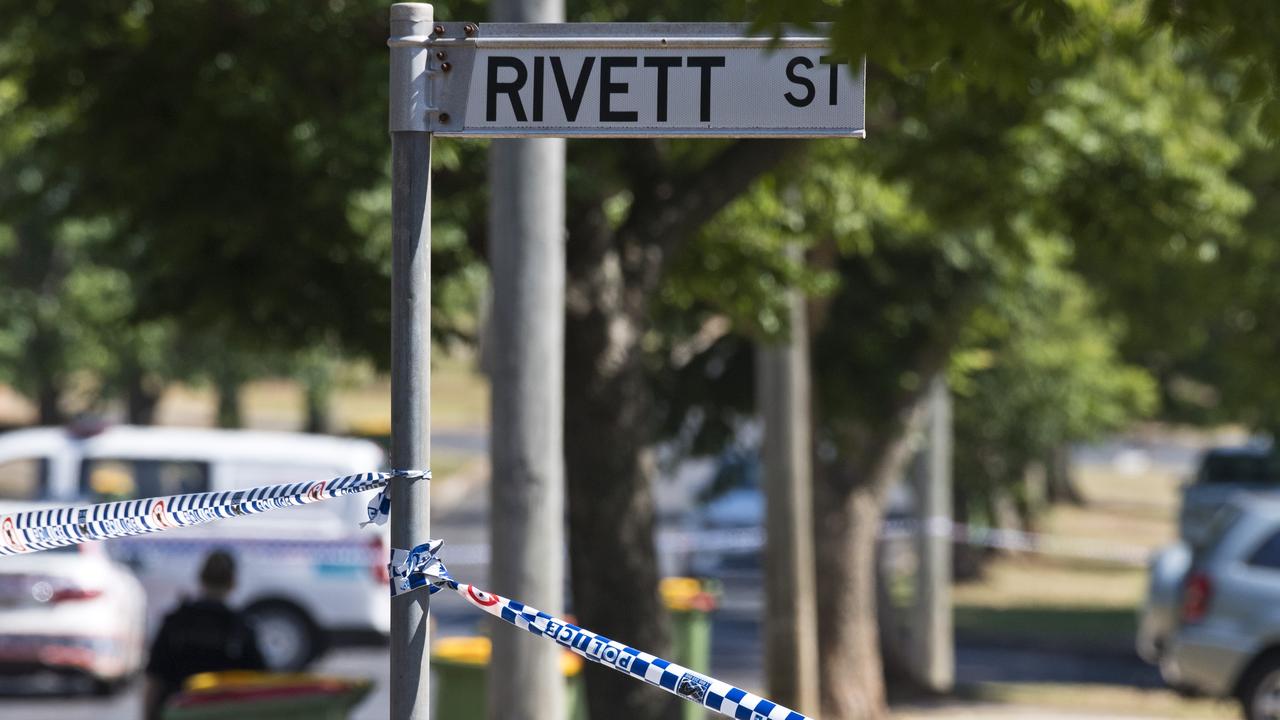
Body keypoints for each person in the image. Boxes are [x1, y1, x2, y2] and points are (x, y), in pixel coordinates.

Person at [143, 550, 266, 720]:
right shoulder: (241, 627)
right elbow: (259, 686)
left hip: (178, 712)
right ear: (233, 582)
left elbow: (155, 680)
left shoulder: (176, 621)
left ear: (200, 577)